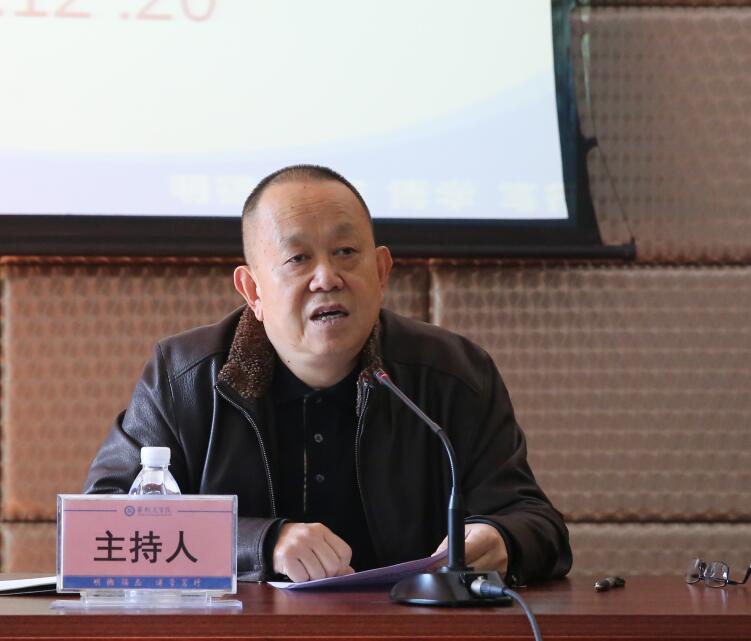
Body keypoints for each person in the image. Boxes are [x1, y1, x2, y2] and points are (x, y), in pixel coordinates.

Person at [84, 164, 572, 584]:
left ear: (381, 272)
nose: (327, 278)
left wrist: (502, 539)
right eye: (298, 259)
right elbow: (95, 531)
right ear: (252, 290)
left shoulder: (452, 374)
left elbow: (537, 523)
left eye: (346, 253)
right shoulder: (184, 378)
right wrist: (262, 543)